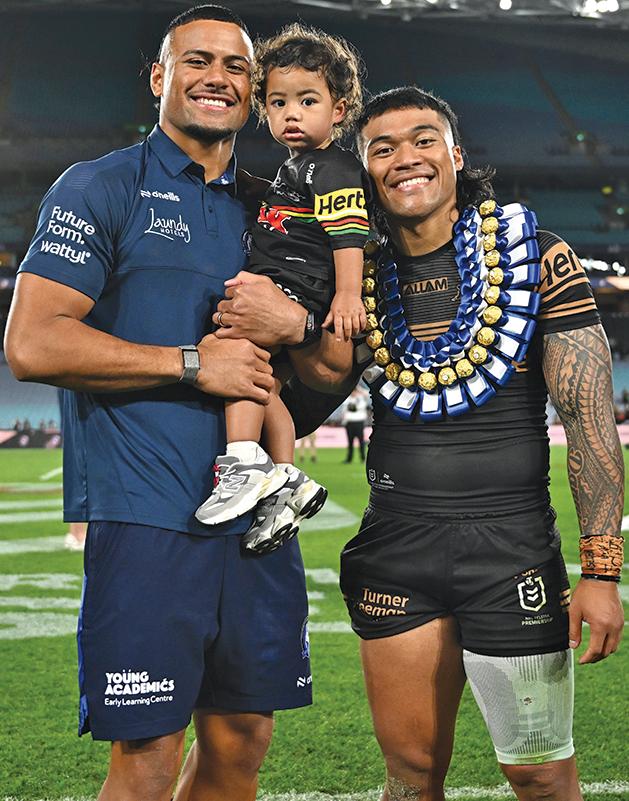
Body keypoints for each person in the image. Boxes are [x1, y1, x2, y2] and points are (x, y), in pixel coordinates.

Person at [220, 86, 625, 801]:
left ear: (456, 155)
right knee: (409, 776)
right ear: (364, 171)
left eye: (423, 139)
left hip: (511, 549)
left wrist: (600, 571)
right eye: (382, 148)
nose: (404, 157)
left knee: (539, 775)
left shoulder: (534, 255)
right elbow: (310, 402)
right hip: (396, 547)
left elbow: (589, 417)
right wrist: (293, 328)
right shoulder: (353, 272)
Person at [3, 6, 352, 801]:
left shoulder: (274, 204)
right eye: (197, 60)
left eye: (236, 67)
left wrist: (295, 325)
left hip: (256, 519)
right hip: (147, 514)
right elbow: (32, 344)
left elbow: (333, 366)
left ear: (253, 93)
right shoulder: (100, 186)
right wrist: (194, 363)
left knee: (241, 738)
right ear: (160, 77)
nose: (217, 77)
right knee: (149, 753)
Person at [195, 23, 369, 552]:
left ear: (339, 110)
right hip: (289, 280)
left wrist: (347, 294)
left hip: (297, 285)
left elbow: (348, 233)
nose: (291, 114)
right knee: (262, 380)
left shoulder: (334, 167)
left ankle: (244, 461)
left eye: (307, 101)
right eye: (278, 102)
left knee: (231, 351)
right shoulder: (299, 167)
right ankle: (285, 480)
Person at [341, 385, 370, 462]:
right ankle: (349, 458)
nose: (353, 393)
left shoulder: (361, 398)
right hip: (349, 422)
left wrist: (359, 388)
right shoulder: (348, 399)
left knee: (361, 441)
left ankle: (363, 458)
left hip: (359, 422)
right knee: (350, 441)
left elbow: (368, 393)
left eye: (355, 391)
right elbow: (345, 410)